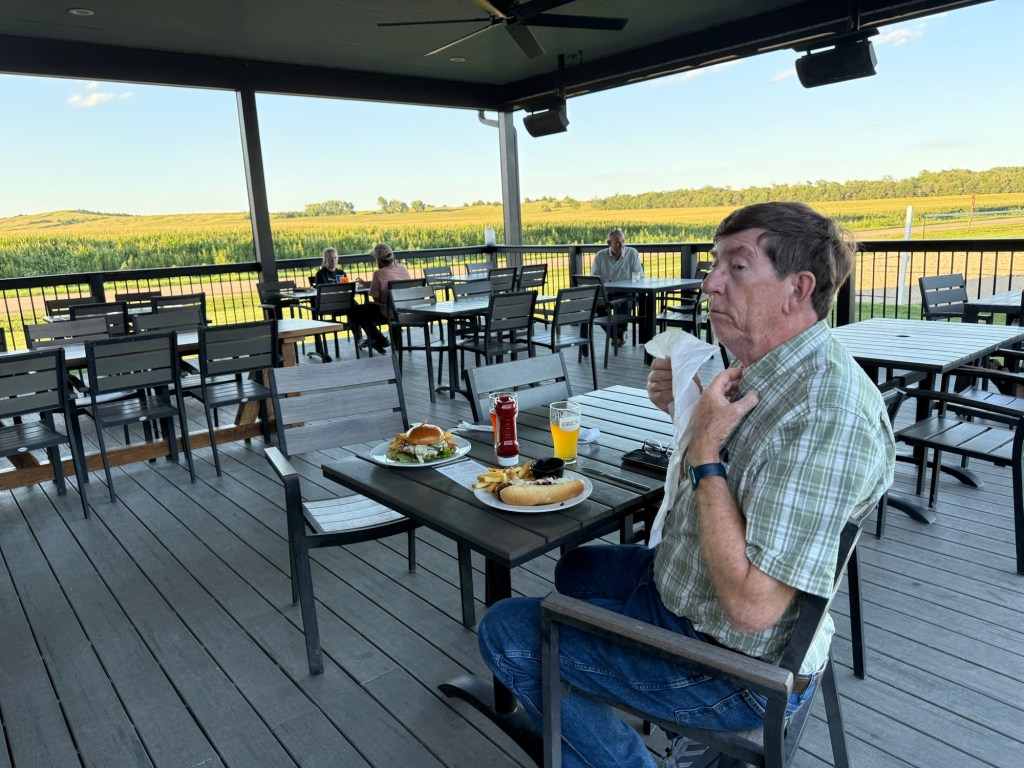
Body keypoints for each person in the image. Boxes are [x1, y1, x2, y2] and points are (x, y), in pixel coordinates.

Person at [477, 202, 896, 768]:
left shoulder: (826, 415)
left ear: (798, 290)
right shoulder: (771, 368)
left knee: (506, 631)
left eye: (736, 267)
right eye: (714, 263)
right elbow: (741, 467)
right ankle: (594, 694)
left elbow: (752, 607)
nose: (710, 283)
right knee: (574, 569)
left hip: (736, 666)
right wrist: (688, 407)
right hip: (688, 590)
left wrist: (702, 446)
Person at [350, 243, 408, 354]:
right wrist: (366, 283)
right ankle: (391, 341)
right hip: (404, 309)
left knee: (357, 311)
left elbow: (376, 298)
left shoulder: (378, 273)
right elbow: (387, 280)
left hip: (387, 313)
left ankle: (379, 339)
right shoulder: (402, 268)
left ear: (379, 260)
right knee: (370, 310)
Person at [590, 228, 644, 347]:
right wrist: (607, 285)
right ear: (609, 243)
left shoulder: (632, 253)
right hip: (606, 293)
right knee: (595, 307)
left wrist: (625, 286)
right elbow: (594, 279)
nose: (621, 245)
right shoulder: (600, 256)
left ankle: (619, 334)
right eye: (618, 242)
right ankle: (618, 334)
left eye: (623, 241)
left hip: (627, 292)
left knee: (623, 301)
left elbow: (638, 276)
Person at [313, 247, 361, 357]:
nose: (333, 260)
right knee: (354, 307)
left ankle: (361, 338)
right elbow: (324, 292)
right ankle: (361, 338)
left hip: (344, 302)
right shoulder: (321, 274)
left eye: (335, 258)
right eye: (330, 258)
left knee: (357, 308)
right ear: (325, 259)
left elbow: (347, 289)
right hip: (329, 305)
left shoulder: (341, 272)